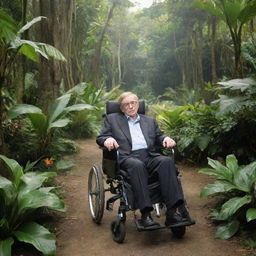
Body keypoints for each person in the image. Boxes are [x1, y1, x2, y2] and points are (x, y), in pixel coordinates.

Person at [96, 92, 186, 228]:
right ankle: (145, 215)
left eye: (133, 103)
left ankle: (172, 213)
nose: (131, 106)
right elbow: (101, 137)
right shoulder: (112, 119)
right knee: (137, 165)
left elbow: (159, 136)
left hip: (149, 156)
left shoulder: (149, 121)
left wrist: (165, 139)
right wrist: (107, 139)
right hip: (127, 157)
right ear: (121, 108)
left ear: (138, 104)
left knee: (166, 161)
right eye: (126, 104)